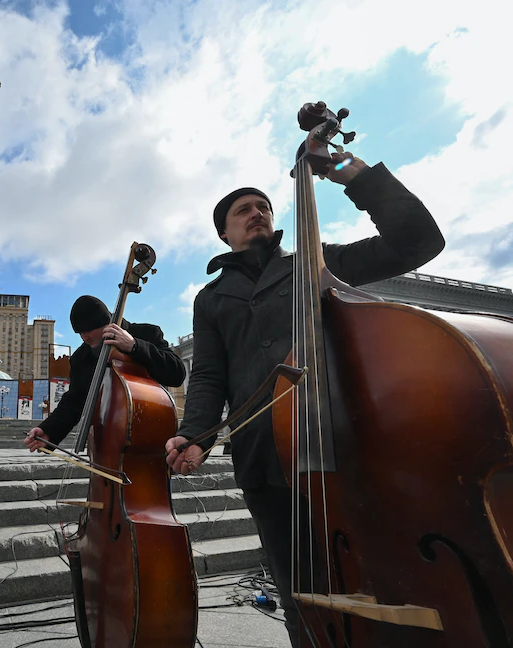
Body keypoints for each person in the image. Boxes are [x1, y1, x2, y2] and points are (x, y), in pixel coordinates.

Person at [164, 152, 445, 647]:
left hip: (342, 443)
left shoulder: (319, 260)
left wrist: (355, 176)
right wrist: (195, 434)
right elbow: (209, 375)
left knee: (381, 579)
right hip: (261, 452)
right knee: (298, 590)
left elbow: (418, 242)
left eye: (264, 206)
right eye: (243, 209)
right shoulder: (210, 299)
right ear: (223, 234)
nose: (258, 213)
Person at [24, 295, 186, 452]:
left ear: (106, 322)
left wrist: (135, 346)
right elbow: (74, 401)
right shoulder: (81, 358)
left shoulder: (147, 334)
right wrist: (48, 430)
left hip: (149, 438)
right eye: (80, 332)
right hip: (105, 443)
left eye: (89, 330)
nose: (84, 337)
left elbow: (177, 373)